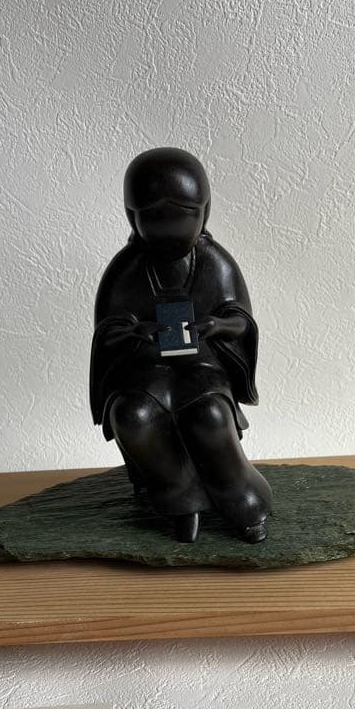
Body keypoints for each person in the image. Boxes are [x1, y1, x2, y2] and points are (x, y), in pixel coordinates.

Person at [89, 147, 272, 543]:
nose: (170, 229)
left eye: (184, 215)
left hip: (202, 366)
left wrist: (216, 325)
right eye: (154, 218)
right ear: (133, 217)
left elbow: (241, 321)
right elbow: (107, 332)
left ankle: (243, 500)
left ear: (204, 212)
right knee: (134, 415)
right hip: (146, 369)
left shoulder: (214, 262)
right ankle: (181, 500)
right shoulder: (127, 269)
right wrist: (137, 331)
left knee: (210, 416)